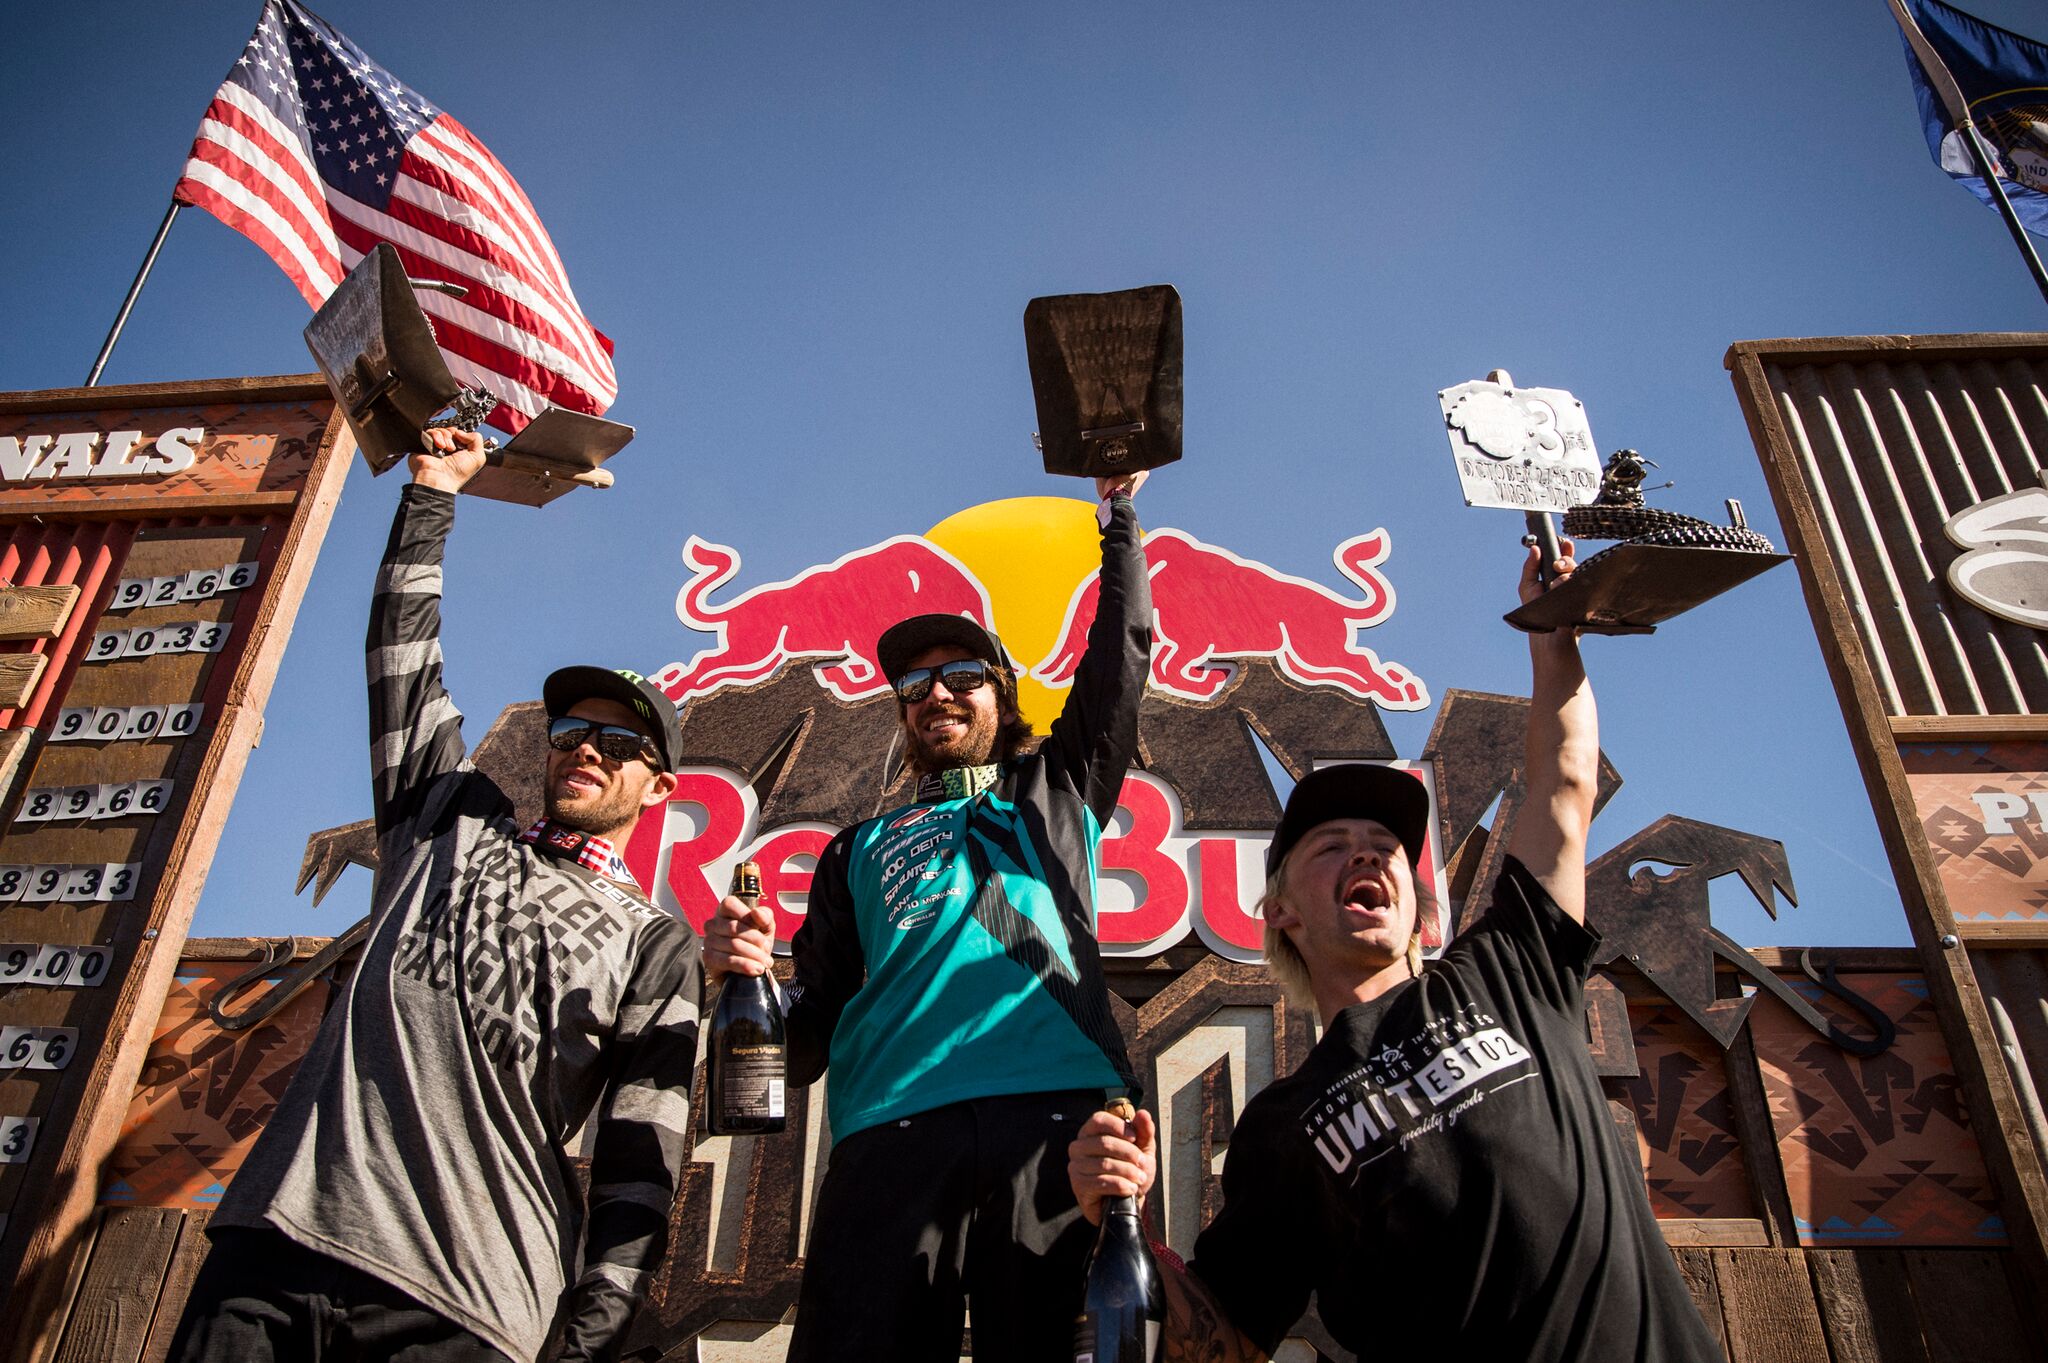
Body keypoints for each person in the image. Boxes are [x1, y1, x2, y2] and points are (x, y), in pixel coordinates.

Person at [1067, 540, 1723, 1362]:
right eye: (1332, 845)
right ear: (1280, 913)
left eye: (1385, 845)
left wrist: (1555, 643)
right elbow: (1227, 1339)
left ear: (1420, 901)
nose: (1369, 854)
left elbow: (1562, 786)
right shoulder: (1279, 1125)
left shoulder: (1508, 968)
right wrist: (1125, 1214)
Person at [170, 430, 704, 1363]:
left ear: (659, 786)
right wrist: (432, 492)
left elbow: (640, 1154)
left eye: (620, 744)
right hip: (279, 1240)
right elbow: (401, 658)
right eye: (573, 729)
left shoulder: (655, 943)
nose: (588, 748)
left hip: (470, 1298)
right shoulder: (448, 820)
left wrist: (599, 1317)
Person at [706, 472, 1153, 1361]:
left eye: (960, 676)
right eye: (914, 685)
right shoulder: (852, 850)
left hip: (1056, 1121)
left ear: (1003, 693)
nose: (936, 693)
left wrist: (1120, 520)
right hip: (889, 1138)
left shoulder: (1056, 790)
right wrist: (744, 977)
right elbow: (803, 1043)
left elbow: (1121, 655)